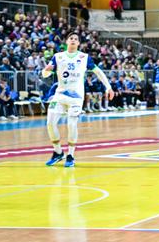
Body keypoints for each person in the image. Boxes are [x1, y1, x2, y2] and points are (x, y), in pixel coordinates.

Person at [42, 32, 113, 168]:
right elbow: (45, 74)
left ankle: (70, 155)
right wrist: (46, 70)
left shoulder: (84, 57)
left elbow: (98, 72)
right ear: (66, 42)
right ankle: (58, 153)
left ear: (79, 43)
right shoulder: (58, 57)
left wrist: (108, 87)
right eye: (71, 38)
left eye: (76, 39)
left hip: (76, 97)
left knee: (72, 125)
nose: (73, 40)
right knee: (50, 123)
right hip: (60, 94)